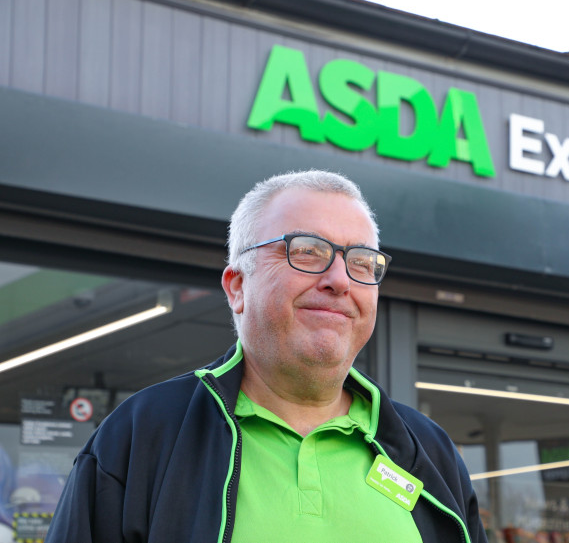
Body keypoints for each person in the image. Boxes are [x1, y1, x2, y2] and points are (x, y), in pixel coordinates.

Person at [45, 170, 486, 543]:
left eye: (361, 262)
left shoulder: (430, 451)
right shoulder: (142, 436)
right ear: (238, 286)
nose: (340, 280)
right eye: (307, 251)